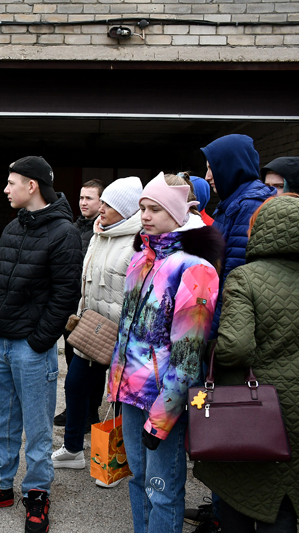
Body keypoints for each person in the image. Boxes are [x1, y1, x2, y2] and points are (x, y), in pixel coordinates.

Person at [0, 156, 82, 533]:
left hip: (32, 347)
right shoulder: (13, 227)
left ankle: (37, 493)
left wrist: (41, 339)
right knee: (1, 419)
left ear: (32, 186)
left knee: (38, 426)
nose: (5, 188)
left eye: (12, 182)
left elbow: (65, 294)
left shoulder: (64, 232)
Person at [108, 173, 224, 532]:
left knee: (162, 490)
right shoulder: (140, 259)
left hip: (164, 401)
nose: (144, 215)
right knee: (137, 479)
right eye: (142, 207)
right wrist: (114, 383)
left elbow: (188, 357)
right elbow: (127, 330)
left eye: (155, 208)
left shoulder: (195, 269)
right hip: (129, 393)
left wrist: (161, 420)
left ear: (177, 213)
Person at [194, 194, 299, 533]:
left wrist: (208, 349)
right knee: (283, 501)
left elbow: (235, 347)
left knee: (242, 498)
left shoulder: (245, 278)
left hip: (255, 411)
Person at [52, 176, 142, 488]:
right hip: (93, 328)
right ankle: (73, 449)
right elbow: (86, 280)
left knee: (119, 399)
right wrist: (78, 316)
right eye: (100, 203)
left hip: (123, 336)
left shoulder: (139, 242)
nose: (100, 208)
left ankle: (116, 462)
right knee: (75, 386)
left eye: (107, 204)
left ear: (126, 209)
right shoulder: (97, 234)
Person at [201, 134, 276, 337]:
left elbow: (232, 279)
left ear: (231, 166)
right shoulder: (231, 203)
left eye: (212, 168)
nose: (207, 176)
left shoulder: (249, 206)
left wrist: (213, 335)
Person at [55, 178, 105, 428]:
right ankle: (74, 409)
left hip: (94, 310)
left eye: (90, 198)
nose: (84, 202)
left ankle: (91, 412)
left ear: (101, 202)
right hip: (72, 308)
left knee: (93, 363)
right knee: (72, 359)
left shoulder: (102, 231)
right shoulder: (75, 228)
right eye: (81, 198)